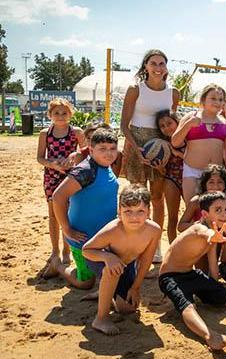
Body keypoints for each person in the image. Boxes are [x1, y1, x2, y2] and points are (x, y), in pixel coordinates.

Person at [158, 192, 226, 351]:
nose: (224, 213)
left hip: (190, 275)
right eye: (218, 210)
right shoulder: (199, 228)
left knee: (221, 295)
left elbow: (213, 268)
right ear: (204, 214)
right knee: (189, 306)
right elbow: (205, 234)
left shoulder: (214, 234)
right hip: (170, 277)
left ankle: (195, 297)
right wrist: (212, 237)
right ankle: (211, 337)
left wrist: (216, 287)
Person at [120, 49, 180, 263]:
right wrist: (137, 150)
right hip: (136, 144)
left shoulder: (173, 92)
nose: (157, 67)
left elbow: (172, 124)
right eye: (153, 63)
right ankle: (134, 245)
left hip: (159, 147)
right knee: (136, 197)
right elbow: (124, 125)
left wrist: (167, 150)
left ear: (166, 67)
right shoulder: (135, 89)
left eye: (161, 63)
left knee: (156, 198)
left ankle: (154, 247)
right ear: (145, 66)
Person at [82, 185, 161, 335]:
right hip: (99, 260)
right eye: (128, 212)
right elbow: (86, 250)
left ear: (149, 212)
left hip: (127, 265)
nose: (134, 217)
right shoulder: (112, 230)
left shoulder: (154, 230)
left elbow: (146, 260)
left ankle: (105, 292)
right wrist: (107, 257)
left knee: (128, 309)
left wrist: (135, 287)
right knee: (113, 269)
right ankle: (101, 318)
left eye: (140, 212)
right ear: (119, 212)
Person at [46, 128, 119, 290]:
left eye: (112, 148)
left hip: (104, 239)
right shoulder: (85, 171)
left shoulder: (106, 166)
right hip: (83, 239)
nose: (109, 153)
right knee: (86, 282)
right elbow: (58, 197)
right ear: (91, 150)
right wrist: (66, 229)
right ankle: (57, 265)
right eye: (102, 149)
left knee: (113, 274)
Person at [36, 98, 84, 270]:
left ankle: (66, 250)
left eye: (64, 113)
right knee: (53, 215)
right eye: (56, 113)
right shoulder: (45, 133)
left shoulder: (76, 132)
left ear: (71, 114)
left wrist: (73, 158)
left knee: (68, 215)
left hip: (71, 178)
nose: (61, 116)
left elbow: (85, 153)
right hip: (51, 177)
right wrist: (53, 164)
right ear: (50, 115)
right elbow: (40, 157)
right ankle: (55, 251)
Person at [172, 84, 226, 203]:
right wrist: (188, 125)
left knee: (213, 211)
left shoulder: (224, 123)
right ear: (203, 100)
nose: (217, 102)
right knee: (192, 207)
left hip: (215, 175)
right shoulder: (191, 116)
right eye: (213, 98)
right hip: (192, 170)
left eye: (220, 99)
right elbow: (175, 142)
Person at [155, 110, 185, 243]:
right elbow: (163, 171)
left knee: (193, 216)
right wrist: (160, 169)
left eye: (169, 123)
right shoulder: (161, 144)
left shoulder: (189, 138)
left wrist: (176, 153)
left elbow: (193, 159)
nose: (166, 127)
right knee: (173, 218)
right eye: (162, 126)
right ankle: (173, 250)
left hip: (189, 179)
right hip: (171, 179)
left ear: (177, 122)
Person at [178, 164, 226, 232]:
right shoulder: (196, 201)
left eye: (220, 182)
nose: (215, 186)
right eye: (211, 182)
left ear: (225, 185)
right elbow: (180, 226)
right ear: (204, 184)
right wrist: (198, 225)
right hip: (200, 238)